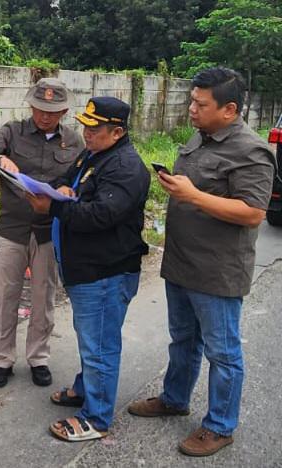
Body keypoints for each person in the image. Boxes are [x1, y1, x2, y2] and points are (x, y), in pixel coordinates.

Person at [127, 67, 276, 457]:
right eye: (192, 100)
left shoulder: (251, 150)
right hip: (181, 263)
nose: (191, 108)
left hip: (217, 272)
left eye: (200, 103)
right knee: (183, 340)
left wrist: (192, 195)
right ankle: (174, 398)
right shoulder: (201, 137)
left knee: (223, 353)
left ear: (229, 110)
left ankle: (220, 425)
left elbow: (252, 212)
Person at [25, 96, 150, 441]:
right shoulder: (94, 154)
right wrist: (63, 188)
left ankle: (96, 418)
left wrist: (53, 207)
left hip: (106, 272)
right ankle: (86, 389)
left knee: (100, 345)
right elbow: (71, 179)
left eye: (94, 128)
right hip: (86, 269)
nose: (86, 132)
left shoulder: (125, 167)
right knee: (90, 337)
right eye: (86, 125)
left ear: (117, 132)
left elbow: (100, 216)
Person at [0, 78, 84, 388]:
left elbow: (82, 179)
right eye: (40, 109)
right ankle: (2, 359)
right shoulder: (12, 131)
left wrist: (67, 189)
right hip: (12, 229)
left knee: (43, 298)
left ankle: (38, 357)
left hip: (49, 231)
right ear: (31, 105)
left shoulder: (75, 141)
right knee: (6, 296)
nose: (45, 116)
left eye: (53, 111)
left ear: (64, 111)